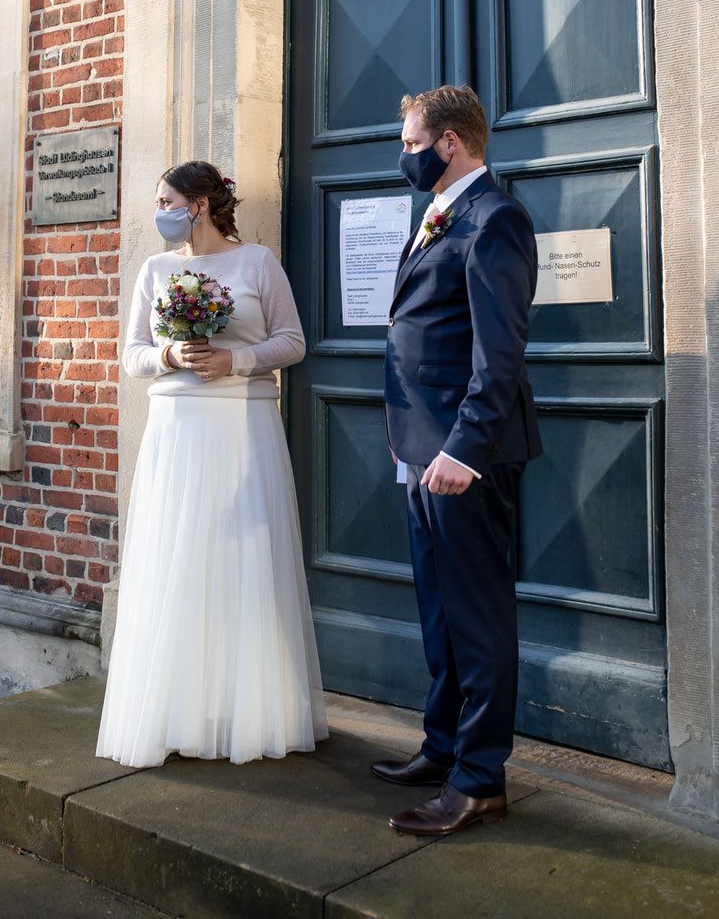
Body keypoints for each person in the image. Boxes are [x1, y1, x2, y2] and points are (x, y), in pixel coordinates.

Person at [96, 160, 328, 768]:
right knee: (178, 557)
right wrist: (171, 353)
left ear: (199, 204)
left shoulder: (257, 264)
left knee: (241, 560)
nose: (160, 209)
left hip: (242, 425)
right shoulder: (155, 270)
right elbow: (133, 356)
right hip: (176, 428)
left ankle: (246, 711)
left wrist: (239, 362)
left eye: (167, 198)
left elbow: (294, 341)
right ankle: (177, 709)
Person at [372, 85, 542, 835]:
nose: (402, 156)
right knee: (439, 614)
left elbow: (498, 355)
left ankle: (480, 780)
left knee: (477, 618)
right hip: (422, 451)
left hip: (463, 458)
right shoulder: (437, 216)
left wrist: (462, 451)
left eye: (410, 143)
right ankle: (442, 748)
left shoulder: (495, 218)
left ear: (449, 143)